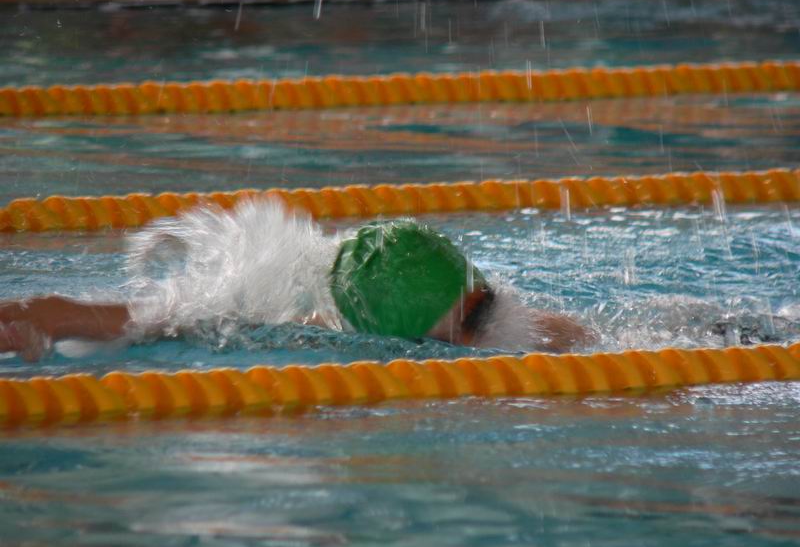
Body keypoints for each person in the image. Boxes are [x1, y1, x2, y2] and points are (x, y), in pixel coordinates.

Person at [0, 199, 593, 362]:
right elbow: (155, 319)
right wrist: (48, 316)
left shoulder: (521, 327)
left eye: (480, 308)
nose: (479, 330)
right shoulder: (302, 325)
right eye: (459, 327)